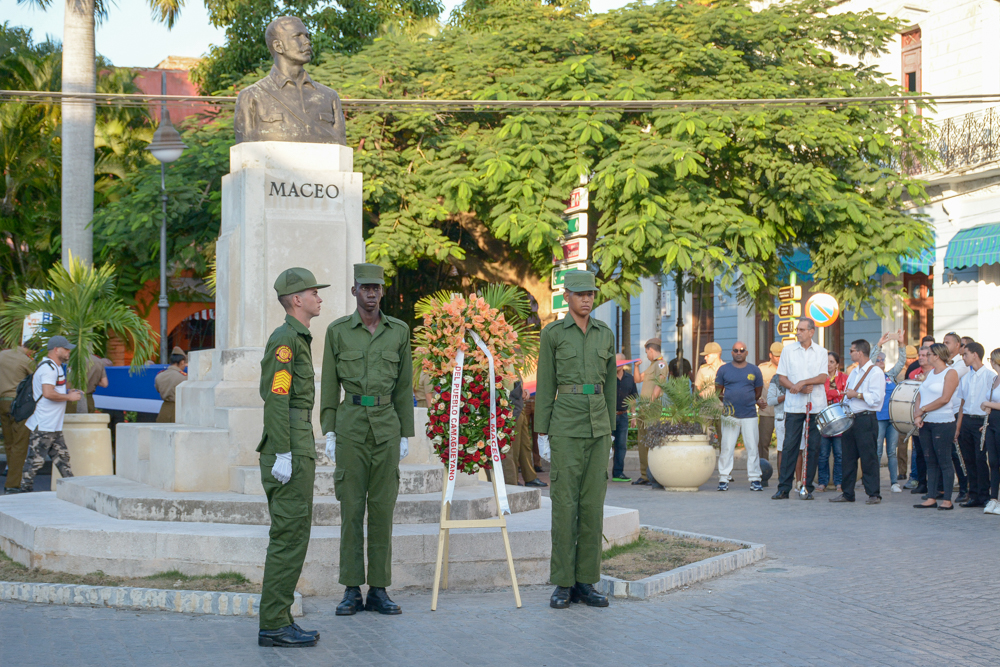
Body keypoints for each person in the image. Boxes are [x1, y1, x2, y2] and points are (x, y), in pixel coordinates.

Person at [321, 264, 413, 617]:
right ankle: (350, 589)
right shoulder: (338, 332)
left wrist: (405, 433)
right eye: (365, 288)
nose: (371, 293)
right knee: (351, 510)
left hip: (387, 426)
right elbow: (330, 384)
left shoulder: (398, 331)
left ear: (383, 291)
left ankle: (378, 589)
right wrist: (330, 429)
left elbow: (404, 385)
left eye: (376, 288)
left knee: (383, 510)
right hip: (351, 426)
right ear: (354, 291)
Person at [534, 270, 616, 610]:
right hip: (565, 425)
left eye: (591, 294)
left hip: (598, 427)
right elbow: (545, 383)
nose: (586, 299)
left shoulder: (604, 334)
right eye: (580, 293)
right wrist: (542, 432)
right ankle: (563, 583)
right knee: (565, 506)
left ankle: (586, 581)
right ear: (566, 296)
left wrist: (611, 430)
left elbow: (610, 385)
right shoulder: (553, 334)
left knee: (592, 507)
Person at [256, 268, 327, 648]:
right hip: (289, 444)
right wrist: (283, 450)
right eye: (314, 292)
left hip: (297, 442)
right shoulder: (286, 340)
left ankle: (280, 618)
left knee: (295, 534)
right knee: (288, 535)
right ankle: (273, 623)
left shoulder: (297, 338)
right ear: (297, 299)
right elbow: (277, 397)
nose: (319, 298)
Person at [234, 16, 346, 145]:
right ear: (278, 46)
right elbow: (247, 149)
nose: (307, 42)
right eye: (297, 36)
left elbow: (340, 144)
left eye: (307, 36)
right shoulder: (251, 97)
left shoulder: (329, 97)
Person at [772, 318, 828, 500]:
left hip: (815, 406)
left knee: (813, 448)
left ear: (812, 332)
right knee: (790, 446)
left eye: (802, 330)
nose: (798, 333)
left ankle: (807, 487)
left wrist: (803, 382)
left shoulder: (821, 352)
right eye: (798, 329)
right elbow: (782, 378)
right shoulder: (788, 350)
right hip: (794, 406)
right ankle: (783, 488)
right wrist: (796, 387)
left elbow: (822, 377)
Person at [19, 336, 84, 492]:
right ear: (56, 350)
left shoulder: (55, 367)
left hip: (52, 424)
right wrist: (69, 397)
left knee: (63, 459)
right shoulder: (48, 369)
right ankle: (23, 492)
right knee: (35, 461)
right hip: (44, 424)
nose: (69, 352)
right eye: (66, 349)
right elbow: (48, 393)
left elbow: (52, 390)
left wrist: (67, 392)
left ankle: (72, 490)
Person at [830, 340, 886, 504]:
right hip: (851, 418)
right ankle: (847, 493)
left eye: (852, 350)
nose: (850, 353)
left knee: (869, 457)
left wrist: (857, 395)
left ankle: (874, 493)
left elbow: (877, 399)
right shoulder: (854, 372)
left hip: (866, 418)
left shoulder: (875, 372)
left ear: (860, 353)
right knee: (848, 458)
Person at [913, 343, 960, 510]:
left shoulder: (950, 373)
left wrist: (923, 409)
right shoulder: (929, 373)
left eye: (929, 354)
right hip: (926, 422)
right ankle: (931, 497)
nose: (926, 357)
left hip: (943, 422)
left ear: (937, 356)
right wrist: (917, 414)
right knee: (930, 460)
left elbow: (945, 398)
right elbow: (920, 394)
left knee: (944, 460)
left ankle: (947, 499)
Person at [715, 341, 764, 491]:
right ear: (732, 353)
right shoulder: (724, 370)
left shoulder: (754, 370)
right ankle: (724, 478)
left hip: (749, 414)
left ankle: (755, 479)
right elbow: (718, 391)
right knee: (727, 448)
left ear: (746, 352)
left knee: (752, 448)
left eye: (742, 350)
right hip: (730, 416)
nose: (738, 353)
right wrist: (728, 404)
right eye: (735, 350)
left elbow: (758, 391)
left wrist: (748, 400)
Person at [954, 342, 995, 508]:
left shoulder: (990, 376)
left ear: (975, 355)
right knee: (968, 459)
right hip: (967, 421)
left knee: (980, 459)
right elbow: (962, 405)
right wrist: (958, 428)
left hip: (981, 421)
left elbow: (993, 402)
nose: (963, 357)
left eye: (965, 354)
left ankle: (984, 495)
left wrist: (988, 423)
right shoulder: (965, 378)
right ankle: (973, 494)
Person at [632, 338, 669, 486]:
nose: (646, 355)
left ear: (651, 350)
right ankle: (644, 475)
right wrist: (636, 367)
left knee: (652, 441)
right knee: (642, 442)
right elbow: (637, 379)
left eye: (647, 352)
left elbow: (659, 384)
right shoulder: (651, 366)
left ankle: (653, 475)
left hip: (651, 409)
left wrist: (651, 402)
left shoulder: (661, 364)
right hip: (643, 409)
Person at [0, 342, 35, 494]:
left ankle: (11, 474)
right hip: (18, 404)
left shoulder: (2, 355)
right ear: (32, 351)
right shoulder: (26, 360)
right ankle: (13, 484)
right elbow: (36, 379)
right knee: (19, 444)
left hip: (2, 402)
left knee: (8, 442)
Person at [943, 332, 970, 500]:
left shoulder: (961, 365)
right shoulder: (947, 364)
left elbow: (947, 376)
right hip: (947, 412)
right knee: (951, 454)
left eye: (947, 342)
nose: (944, 345)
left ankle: (965, 489)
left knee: (959, 453)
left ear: (957, 345)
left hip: (957, 412)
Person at [503, 384, 545, 487]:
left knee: (525, 445)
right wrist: (520, 392)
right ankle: (513, 479)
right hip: (512, 407)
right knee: (514, 448)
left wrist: (524, 390)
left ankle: (530, 477)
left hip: (520, 406)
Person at [816, 351, 846, 493]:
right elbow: (822, 395)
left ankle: (839, 482)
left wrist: (834, 394)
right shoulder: (820, 378)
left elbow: (846, 396)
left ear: (837, 364)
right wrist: (836, 393)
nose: (828, 365)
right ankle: (823, 482)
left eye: (832, 362)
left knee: (839, 454)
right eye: (826, 362)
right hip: (824, 421)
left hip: (839, 420)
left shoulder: (844, 378)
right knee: (823, 455)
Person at [906, 344, 933, 494]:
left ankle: (935, 485)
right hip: (917, 416)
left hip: (932, 416)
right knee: (919, 452)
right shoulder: (912, 373)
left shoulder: (936, 373)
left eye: (924, 355)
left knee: (932, 452)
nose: (921, 358)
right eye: (920, 355)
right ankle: (922, 483)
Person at [872, 352, 901, 492]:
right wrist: (878, 344)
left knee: (892, 451)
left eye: (883, 359)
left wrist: (901, 346)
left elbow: (901, 362)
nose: (881, 362)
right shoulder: (871, 377)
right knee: (877, 451)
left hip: (892, 418)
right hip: (878, 418)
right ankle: (874, 482)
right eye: (878, 360)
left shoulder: (890, 375)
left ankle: (894, 482)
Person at [978, 348, 1000, 515]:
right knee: (993, 462)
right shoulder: (994, 379)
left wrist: (987, 404)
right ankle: (994, 498)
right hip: (992, 424)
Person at [757, 342, 783, 465]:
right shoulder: (762, 369)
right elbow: (753, 387)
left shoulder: (789, 368)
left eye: (781, 355)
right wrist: (757, 400)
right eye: (776, 356)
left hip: (784, 411)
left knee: (784, 444)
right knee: (763, 443)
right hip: (767, 410)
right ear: (770, 355)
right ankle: (763, 470)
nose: (779, 358)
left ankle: (783, 472)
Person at [612, 353, 637, 483]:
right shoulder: (608, 377)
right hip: (609, 416)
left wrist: (633, 416)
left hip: (623, 416)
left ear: (623, 363)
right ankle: (600, 473)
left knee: (621, 445)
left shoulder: (629, 378)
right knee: (605, 445)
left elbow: (632, 398)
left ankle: (618, 473)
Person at [766, 346, 787, 487]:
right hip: (780, 417)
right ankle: (782, 480)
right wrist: (786, 396)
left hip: (797, 416)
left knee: (799, 450)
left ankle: (798, 481)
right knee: (781, 450)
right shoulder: (775, 378)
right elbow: (770, 401)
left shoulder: (797, 376)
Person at [154, 348, 188, 423]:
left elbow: (158, 389)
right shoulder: (184, 377)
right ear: (182, 362)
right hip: (179, 410)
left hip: (164, 410)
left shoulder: (160, 375)